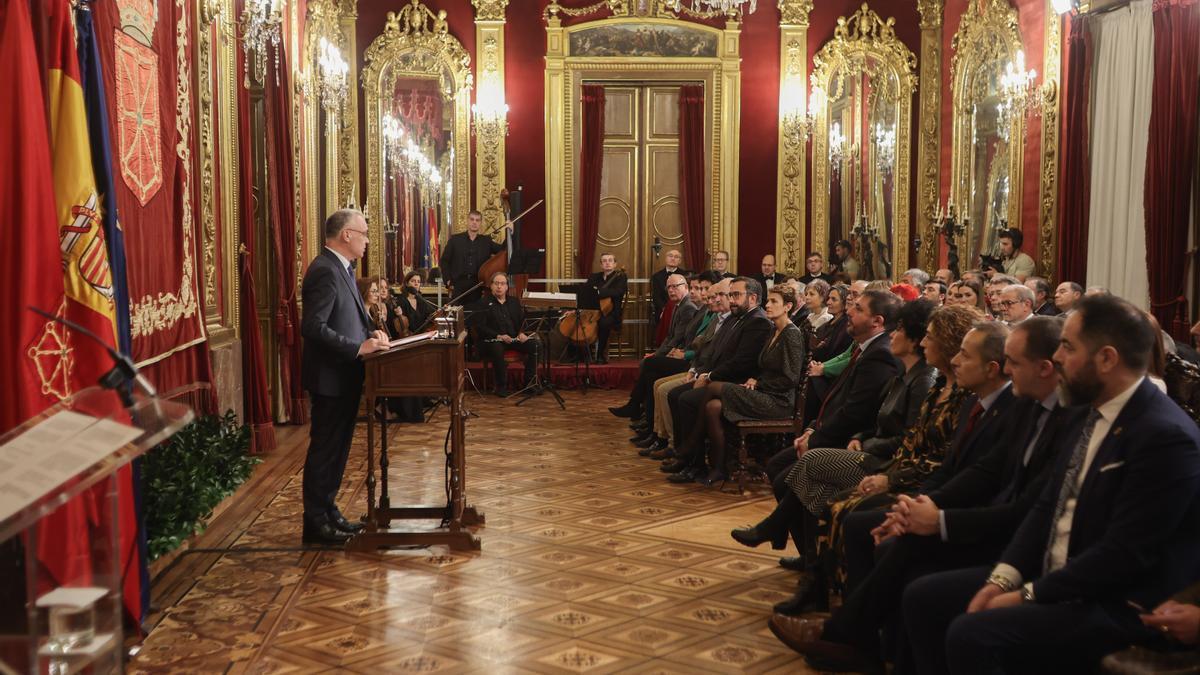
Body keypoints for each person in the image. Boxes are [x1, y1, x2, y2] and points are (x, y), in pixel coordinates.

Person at [903, 295, 1200, 675]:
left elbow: (1124, 554)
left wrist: (1027, 595)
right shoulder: (1094, 409)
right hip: (1060, 572)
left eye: (1068, 347)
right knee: (924, 596)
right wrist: (1002, 578)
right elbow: (1048, 505)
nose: (1057, 357)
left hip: (1118, 601)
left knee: (973, 634)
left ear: (1107, 359)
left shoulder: (1162, 434)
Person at [772, 317, 1079, 672]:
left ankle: (847, 633)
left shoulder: (1046, 412)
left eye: (1014, 363)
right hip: (939, 491)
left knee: (906, 558)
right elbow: (980, 471)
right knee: (867, 518)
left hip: (1007, 535)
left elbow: (1024, 505)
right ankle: (854, 635)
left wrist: (936, 519)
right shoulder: (1024, 403)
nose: (1009, 371)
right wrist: (923, 506)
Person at [299, 209, 389, 545]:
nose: (367, 240)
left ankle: (329, 511)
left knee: (338, 451)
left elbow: (349, 318)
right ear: (347, 235)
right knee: (325, 450)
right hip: (330, 378)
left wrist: (373, 335)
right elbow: (313, 327)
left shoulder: (344, 269)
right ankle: (315, 523)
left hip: (345, 377)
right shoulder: (324, 270)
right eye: (364, 233)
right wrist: (357, 348)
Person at [677, 285, 806, 485]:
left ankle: (692, 443)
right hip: (763, 392)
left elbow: (790, 378)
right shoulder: (774, 330)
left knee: (712, 387)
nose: (768, 305)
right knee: (713, 407)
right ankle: (720, 468)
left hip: (778, 401)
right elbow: (763, 366)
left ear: (788, 306)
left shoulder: (791, 334)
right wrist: (755, 380)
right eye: (768, 301)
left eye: (774, 302)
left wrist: (759, 383)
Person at [664, 277, 772, 484]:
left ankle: (695, 465)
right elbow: (715, 353)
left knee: (686, 400)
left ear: (753, 297)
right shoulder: (735, 317)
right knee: (675, 394)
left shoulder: (757, 322)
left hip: (736, 383)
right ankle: (684, 457)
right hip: (719, 377)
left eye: (736, 295)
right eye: (730, 295)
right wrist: (702, 373)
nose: (731, 300)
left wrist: (711, 376)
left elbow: (743, 363)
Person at [610, 272, 698, 421]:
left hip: (684, 356)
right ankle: (646, 417)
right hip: (676, 351)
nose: (671, 290)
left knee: (649, 363)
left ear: (685, 287)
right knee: (651, 373)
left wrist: (658, 355)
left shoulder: (688, 306)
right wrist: (657, 353)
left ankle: (636, 406)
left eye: (675, 286)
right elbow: (670, 336)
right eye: (668, 287)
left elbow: (678, 338)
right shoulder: (678, 305)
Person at [469, 272, 539, 397]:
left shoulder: (514, 302)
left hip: (513, 339)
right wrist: (499, 336)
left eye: (502, 284)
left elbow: (522, 322)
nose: (499, 287)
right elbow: (480, 327)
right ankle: (501, 386)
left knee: (535, 345)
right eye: (496, 283)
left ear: (507, 287)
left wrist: (522, 333)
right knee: (497, 348)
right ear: (491, 286)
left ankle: (530, 384)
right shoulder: (483, 303)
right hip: (491, 341)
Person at [439, 210, 513, 304]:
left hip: (478, 286)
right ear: (467, 221)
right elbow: (444, 261)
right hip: (458, 285)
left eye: (477, 220)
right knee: (457, 315)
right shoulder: (455, 240)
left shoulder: (486, 241)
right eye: (472, 219)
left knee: (476, 315)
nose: (474, 222)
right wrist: (448, 280)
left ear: (480, 223)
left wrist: (510, 232)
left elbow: (503, 250)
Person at [588, 253, 628, 363]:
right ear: (601, 265)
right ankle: (582, 354)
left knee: (603, 323)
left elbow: (618, 292)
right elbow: (587, 292)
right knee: (579, 322)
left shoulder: (621, 277)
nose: (607, 263)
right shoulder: (594, 277)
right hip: (592, 311)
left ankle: (600, 355)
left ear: (615, 264)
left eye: (610, 260)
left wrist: (598, 291)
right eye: (604, 261)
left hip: (612, 312)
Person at [649, 249, 686, 342]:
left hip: (682, 308)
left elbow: (686, 295)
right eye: (670, 256)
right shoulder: (656, 276)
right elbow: (656, 297)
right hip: (662, 309)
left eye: (676, 257)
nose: (673, 258)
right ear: (665, 258)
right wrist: (664, 310)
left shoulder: (685, 275)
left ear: (680, 261)